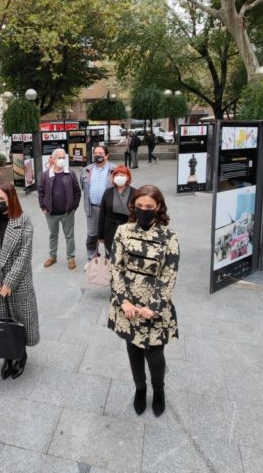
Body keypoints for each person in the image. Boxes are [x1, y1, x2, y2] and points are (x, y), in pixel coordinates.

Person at [108, 185, 179, 417]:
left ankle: (159, 389)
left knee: (155, 355)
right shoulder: (123, 231)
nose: (144, 210)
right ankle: (140, 388)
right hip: (128, 305)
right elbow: (115, 268)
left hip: (154, 307)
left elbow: (169, 274)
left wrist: (154, 306)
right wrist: (124, 302)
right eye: (139, 206)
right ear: (133, 207)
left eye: (149, 207)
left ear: (158, 207)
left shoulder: (169, 237)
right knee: (133, 350)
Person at [0, 182, 39, 379]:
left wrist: (10, 282)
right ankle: (6, 356)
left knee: (18, 321)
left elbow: (24, 255)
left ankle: (20, 355)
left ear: (11, 199)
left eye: (1, 199)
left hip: (18, 283)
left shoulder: (23, 221)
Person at [37, 148, 81, 270]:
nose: (61, 160)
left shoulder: (70, 174)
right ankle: (52, 256)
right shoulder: (46, 175)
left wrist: (74, 207)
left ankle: (71, 257)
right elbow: (41, 191)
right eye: (59, 158)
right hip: (51, 213)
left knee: (69, 236)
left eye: (63, 158)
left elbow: (77, 191)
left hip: (67, 212)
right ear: (53, 159)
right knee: (53, 235)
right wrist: (43, 206)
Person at [80, 145, 116, 265]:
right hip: (92, 208)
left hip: (109, 211)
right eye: (95, 153)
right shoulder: (86, 170)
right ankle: (91, 259)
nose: (97, 155)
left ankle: (110, 260)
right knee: (92, 235)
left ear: (107, 155)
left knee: (109, 235)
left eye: (100, 153)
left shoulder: (114, 170)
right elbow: (83, 188)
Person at [97, 166, 135, 257]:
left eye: (122, 175)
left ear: (128, 177)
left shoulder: (135, 193)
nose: (119, 177)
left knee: (127, 255)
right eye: (116, 175)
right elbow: (102, 213)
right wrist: (100, 235)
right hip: (110, 230)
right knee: (111, 255)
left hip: (128, 230)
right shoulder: (108, 192)